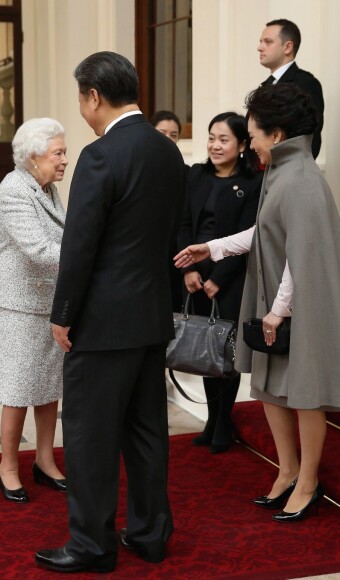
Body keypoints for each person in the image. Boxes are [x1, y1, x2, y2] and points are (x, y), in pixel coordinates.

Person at [35, 51, 186, 573]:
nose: (82, 108)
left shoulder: (100, 156)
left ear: (94, 96)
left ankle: (92, 545)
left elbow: (81, 246)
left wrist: (64, 313)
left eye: (81, 98)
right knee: (147, 432)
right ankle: (149, 534)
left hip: (101, 322)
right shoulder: (168, 152)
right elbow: (170, 237)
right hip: (150, 317)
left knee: (90, 437)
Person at [174, 83, 340, 523]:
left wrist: (277, 310)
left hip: (294, 305)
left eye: (255, 135)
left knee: (305, 394)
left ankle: (308, 481)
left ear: (278, 135)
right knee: (270, 388)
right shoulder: (281, 173)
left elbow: (299, 256)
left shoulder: (302, 179)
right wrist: (212, 248)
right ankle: (286, 472)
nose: (252, 145)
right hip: (276, 301)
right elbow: (264, 233)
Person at [0, 118, 68, 504]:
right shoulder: (13, 191)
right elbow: (39, 250)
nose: (65, 160)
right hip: (14, 304)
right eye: (58, 153)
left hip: (45, 302)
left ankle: (45, 461)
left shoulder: (46, 188)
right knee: (17, 388)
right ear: (33, 157)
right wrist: (92, 263)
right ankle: (9, 467)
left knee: (49, 386)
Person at [177, 112, 261, 453]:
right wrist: (188, 270)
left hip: (232, 277)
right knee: (203, 347)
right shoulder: (196, 175)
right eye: (211, 137)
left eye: (223, 139)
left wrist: (219, 279)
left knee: (226, 349)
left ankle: (223, 421)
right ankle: (212, 419)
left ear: (242, 145)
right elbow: (182, 223)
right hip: (195, 273)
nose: (214, 145)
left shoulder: (253, 184)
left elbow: (247, 237)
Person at [257, 18, 324, 158]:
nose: (260, 47)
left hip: (289, 170)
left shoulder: (305, 83)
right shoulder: (266, 85)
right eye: (261, 42)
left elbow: (311, 137)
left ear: (287, 47)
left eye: (268, 42)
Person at [151, 110, 188, 312]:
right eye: (162, 133)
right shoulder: (140, 170)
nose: (168, 139)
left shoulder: (188, 173)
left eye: (173, 135)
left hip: (177, 253)